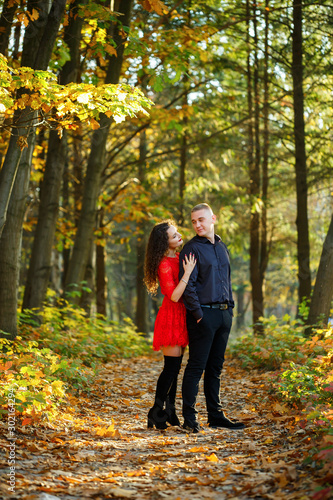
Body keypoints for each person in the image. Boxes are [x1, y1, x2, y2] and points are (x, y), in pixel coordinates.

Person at [179, 203, 245, 433]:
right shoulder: (191, 249)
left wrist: (231, 310)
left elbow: (226, 278)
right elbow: (189, 288)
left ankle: (215, 416)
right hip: (203, 316)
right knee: (197, 366)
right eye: (194, 221)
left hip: (224, 314)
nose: (197, 224)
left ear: (213, 218)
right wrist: (198, 315)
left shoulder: (222, 246)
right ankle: (190, 418)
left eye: (201, 220)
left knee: (215, 368)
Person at [144, 220, 196, 429]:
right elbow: (174, 296)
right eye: (174, 236)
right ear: (164, 243)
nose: (179, 236)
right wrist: (188, 273)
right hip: (172, 316)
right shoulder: (164, 265)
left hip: (183, 316)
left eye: (178, 233)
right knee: (171, 368)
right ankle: (155, 412)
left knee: (175, 368)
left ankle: (170, 411)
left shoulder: (179, 257)